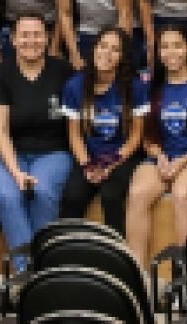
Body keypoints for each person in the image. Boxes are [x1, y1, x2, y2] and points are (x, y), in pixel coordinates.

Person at [0, 15, 73, 274]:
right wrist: (16, 172)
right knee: (8, 195)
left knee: (43, 192)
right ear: (13, 40)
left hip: (53, 151)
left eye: (37, 35)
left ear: (46, 39)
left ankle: (43, 266)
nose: (31, 41)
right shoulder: (0, 74)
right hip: (10, 152)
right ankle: (26, 272)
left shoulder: (63, 71)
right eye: (24, 35)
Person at [125, 23, 187, 268]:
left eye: (177, 45)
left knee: (182, 195)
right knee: (137, 193)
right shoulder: (150, 87)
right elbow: (146, 138)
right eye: (164, 47)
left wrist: (183, 161)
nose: (171, 52)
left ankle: (184, 279)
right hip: (161, 157)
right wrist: (160, 156)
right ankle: (138, 275)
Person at [59, 25, 148, 234]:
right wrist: (88, 165)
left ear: (123, 57)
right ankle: (68, 255)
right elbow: (74, 135)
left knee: (112, 195)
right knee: (72, 196)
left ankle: (115, 258)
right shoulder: (75, 85)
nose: (106, 53)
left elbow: (135, 137)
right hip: (88, 156)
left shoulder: (135, 86)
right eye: (102, 46)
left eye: (115, 49)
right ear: (94, 49)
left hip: (123, 156)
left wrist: (109, 164)